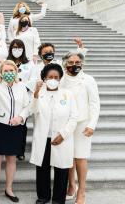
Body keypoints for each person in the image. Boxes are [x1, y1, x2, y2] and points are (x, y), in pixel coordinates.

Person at [31, 63, 78, 204]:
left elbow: (74, 117)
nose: (53, 79)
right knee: (42, 169)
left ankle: (58, 199)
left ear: (60, 79)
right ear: (44, 78)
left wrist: (63, 134)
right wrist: (35, 95)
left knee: (62, 170)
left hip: (61, 138)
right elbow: (33, 111)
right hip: (43, 137)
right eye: (50, 77)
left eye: (56, 77)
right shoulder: (40, 93)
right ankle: (43, 196)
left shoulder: (67, 94)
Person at [0, 60, 30, 203]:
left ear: (16, 72)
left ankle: (9, 188)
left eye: (11, 70)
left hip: (16, 126)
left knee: (11, 159)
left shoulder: (22, 86)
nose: (9, 73)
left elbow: (27, 106)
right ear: (1, 72)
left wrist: (21, 117)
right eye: (6, 71)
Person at [60, 52, 100, 204]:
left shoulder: (88, 80)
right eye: (71, 62)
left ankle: (82, 192)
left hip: (83, 124)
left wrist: (92, 125)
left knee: (80, 157)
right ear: (65, 64)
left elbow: (94, 104)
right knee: (68, 157)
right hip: (66, 124)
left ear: (82, 63)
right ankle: (71, 186)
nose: (74, 65)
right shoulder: (62, 79)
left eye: (77, 62)